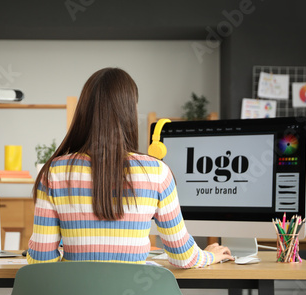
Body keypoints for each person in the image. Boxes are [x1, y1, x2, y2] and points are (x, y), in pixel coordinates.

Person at [27, 67, 233, 267]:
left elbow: (41, 260)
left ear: (84, 111)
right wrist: (209, 256)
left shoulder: (54, 173)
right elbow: (183, 257)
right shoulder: (157, 172)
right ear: (130, 111)